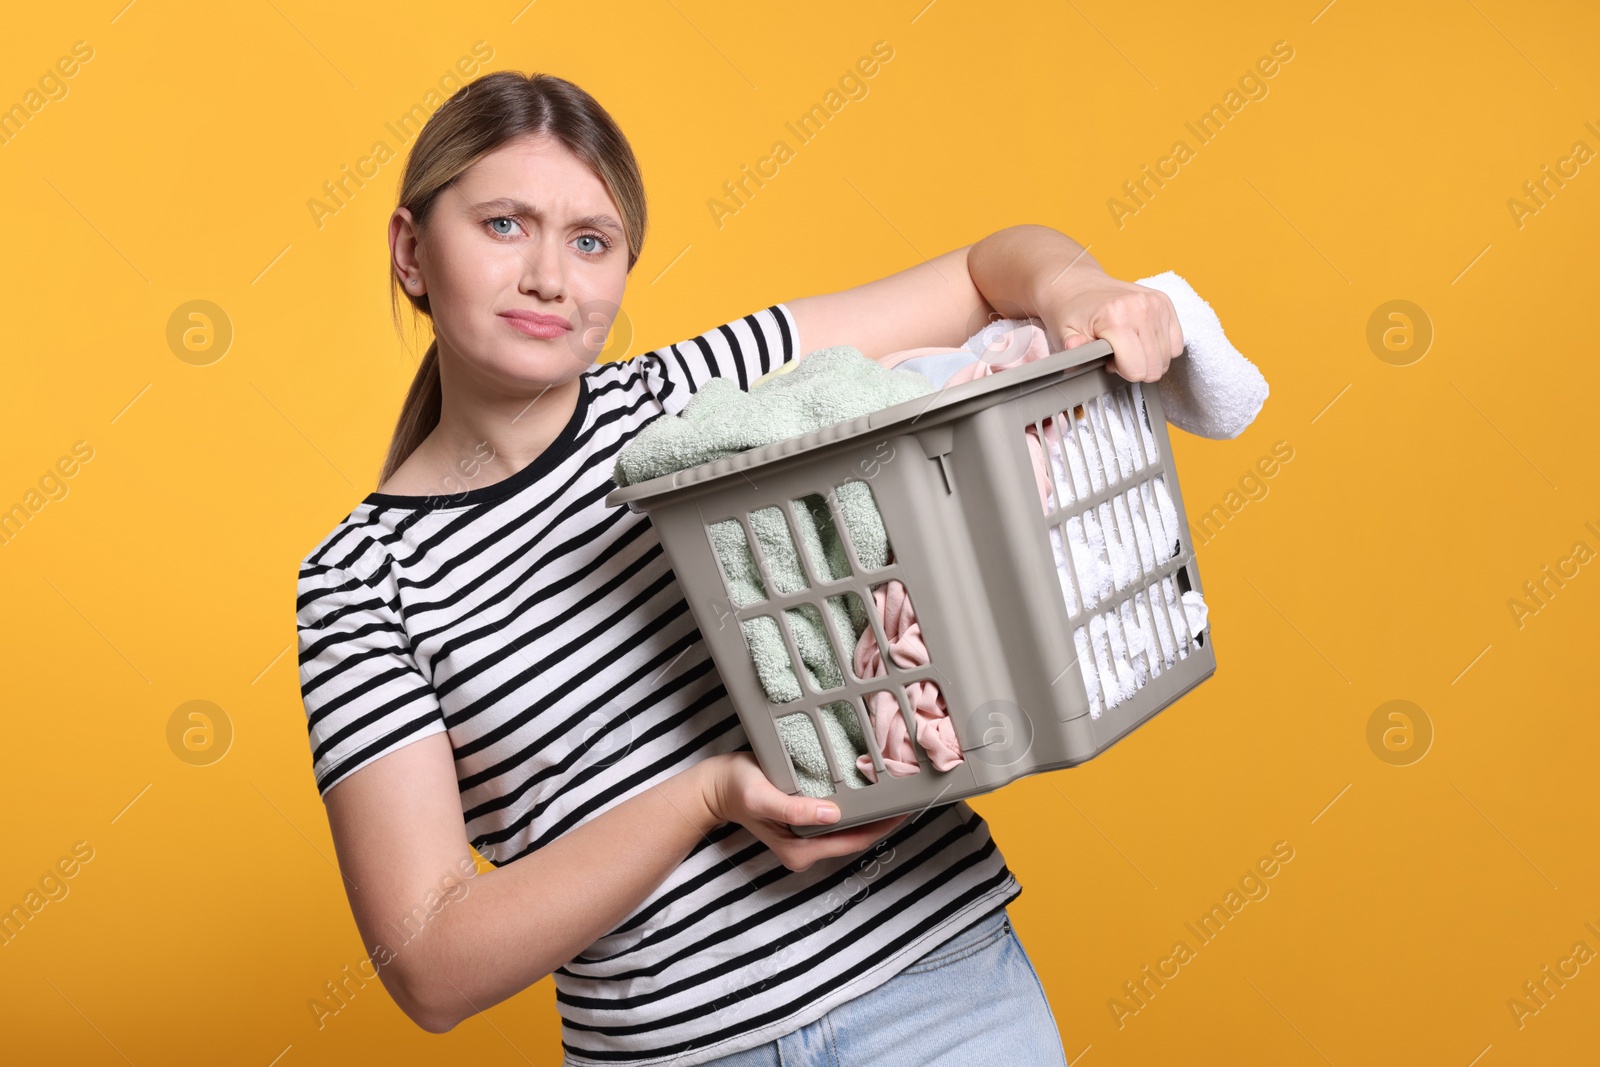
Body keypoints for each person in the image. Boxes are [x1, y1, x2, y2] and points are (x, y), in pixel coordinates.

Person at [294, 69, 1181, 1067]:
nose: (550, 276)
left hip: (935, 991)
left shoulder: (700, 407)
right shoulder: (361, 583)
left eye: (590, 241)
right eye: (504, 224)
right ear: (412, 250)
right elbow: (431, 963)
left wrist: (1079, 289)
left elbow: (988, 272)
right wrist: (705, 795)